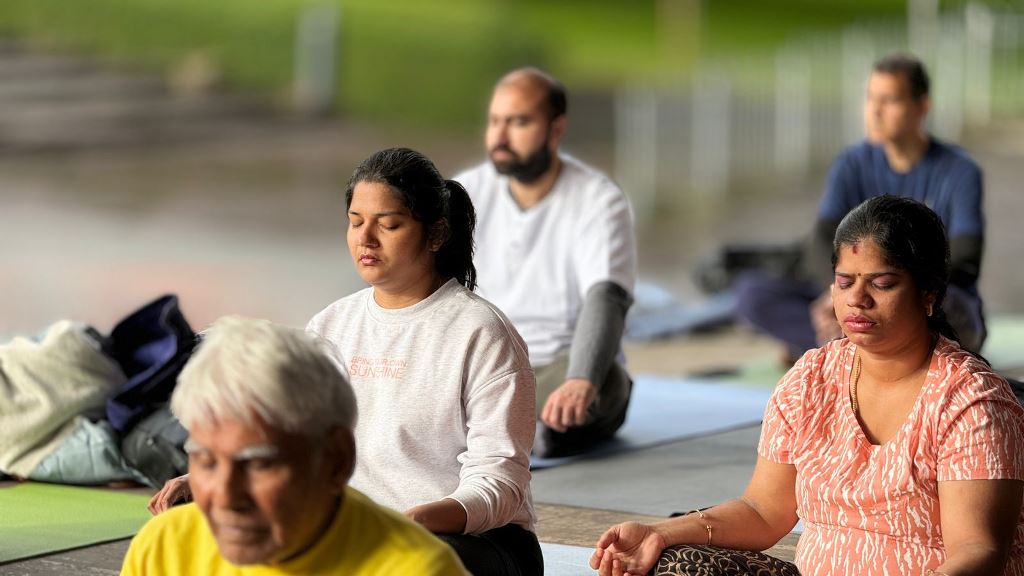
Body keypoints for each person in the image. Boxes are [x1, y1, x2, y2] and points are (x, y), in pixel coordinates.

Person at [151, 148, 542, 575]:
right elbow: (293, 437)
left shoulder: (482, 333)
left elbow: (501, 482)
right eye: (356, 222)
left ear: (436, 234)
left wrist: (416, 521)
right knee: (187, 536)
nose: (365, 239)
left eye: (388, 225)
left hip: (472, 543)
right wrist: (218, 475)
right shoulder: (333, 323)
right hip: (353, 530)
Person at [591, 195, 1024, 576]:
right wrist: (659, 532)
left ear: (928, 294)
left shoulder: (971, 402)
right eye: (844, 281)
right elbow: (763, 511)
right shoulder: (810, 380)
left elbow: (978, 550)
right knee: (673, 566)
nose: (857, 299)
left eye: (882, 283)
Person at [122, 315, 468, 575]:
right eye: (207, 461)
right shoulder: (164, 548)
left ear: (336, 460)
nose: (226, 497)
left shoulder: (417, 569)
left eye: (258, 465)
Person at [735, 53, 987, 361]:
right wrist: (838, 292)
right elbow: (822, 239)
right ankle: (852, 344)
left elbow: (965, 259)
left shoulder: (958, 171)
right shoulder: (851, 164)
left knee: (948, 311)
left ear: (922, 107)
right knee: (753, 294)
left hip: (925, 300)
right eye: (870, 98)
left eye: (889, 100)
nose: (875, 111)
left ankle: (839, 346)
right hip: (858, 298)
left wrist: (894, 288)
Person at [455, 67, 637, 458]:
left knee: (607, 382)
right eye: (495, 121)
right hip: (484, 367)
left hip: (556, 371)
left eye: (518, 122)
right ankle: (513, 434)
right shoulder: (465, 192)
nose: (500, 137)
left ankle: (500, 435)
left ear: (556, 129)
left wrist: (580, 378)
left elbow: (606, 297)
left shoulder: (599, 200)